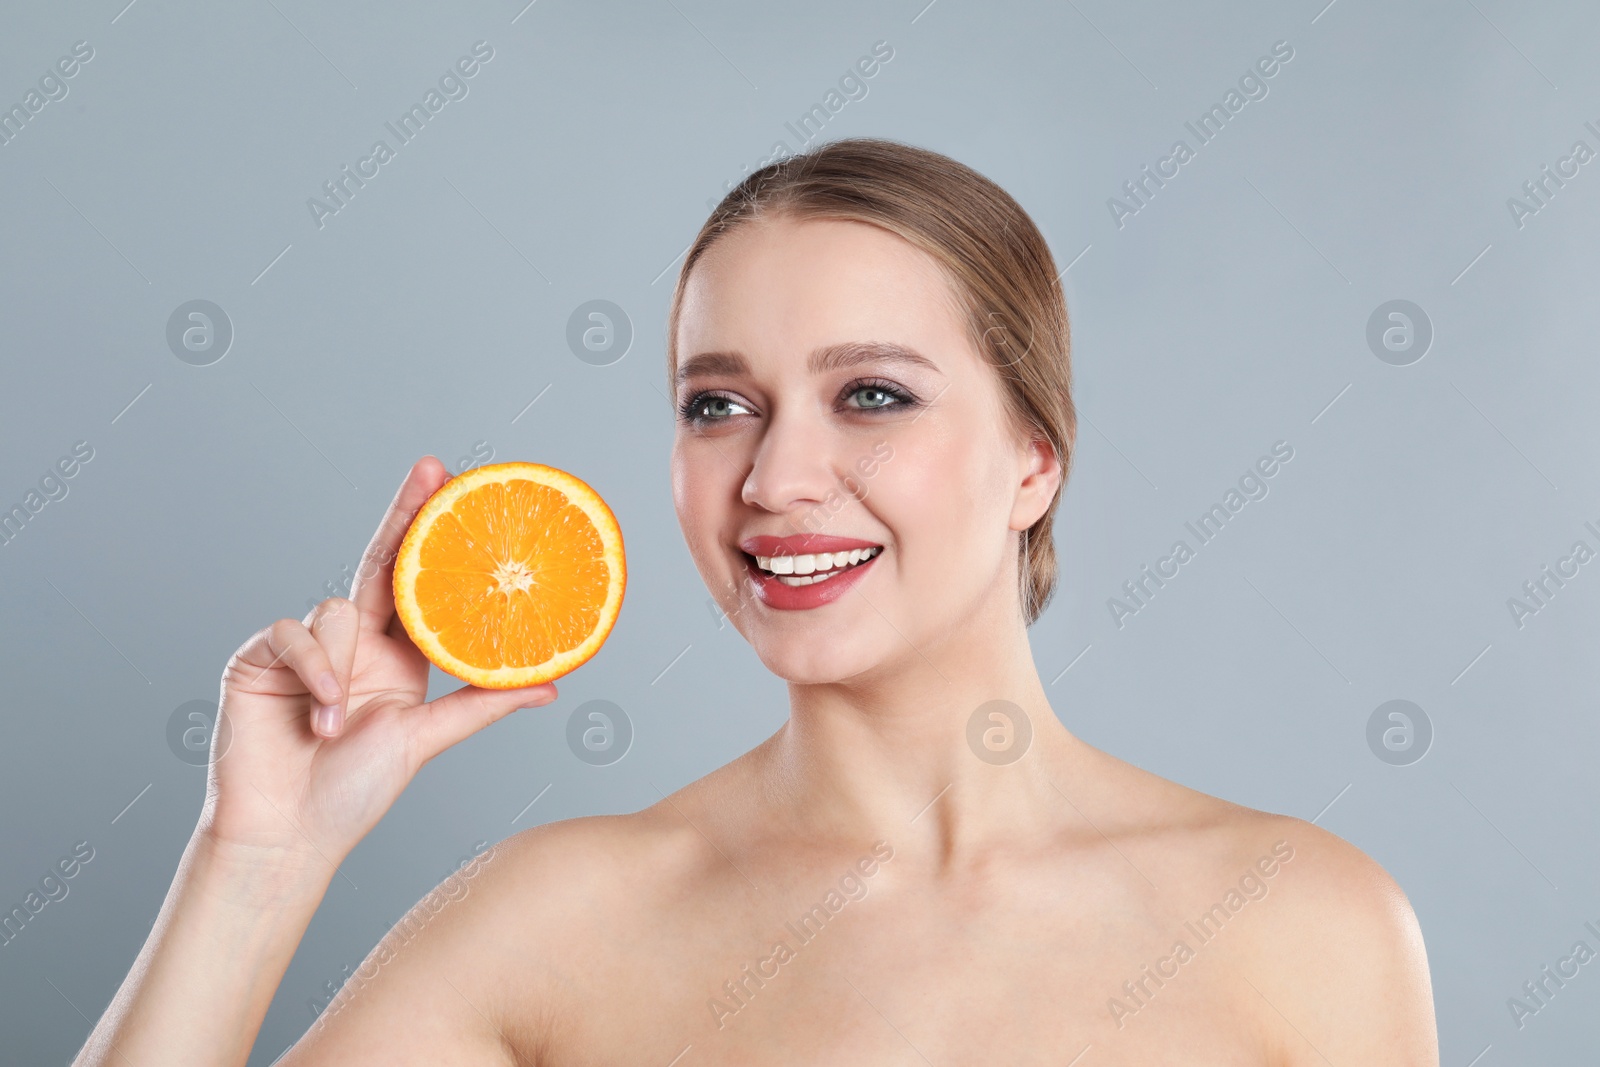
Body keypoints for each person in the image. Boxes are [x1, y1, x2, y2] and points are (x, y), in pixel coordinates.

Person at [74, 137, 1438, 1065]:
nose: (778, 477)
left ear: (1035, 457)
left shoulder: (1300, 922)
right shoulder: (558, 924)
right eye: (718, 404)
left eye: (873, 395)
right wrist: (258, 855)